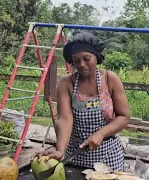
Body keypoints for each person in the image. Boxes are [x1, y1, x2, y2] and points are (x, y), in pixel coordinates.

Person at [36, 32, 130, 171]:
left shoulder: (110, 79)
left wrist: (101, 133)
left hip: (108, 156)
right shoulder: (66, 83)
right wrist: (60, 150)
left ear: (96, 57)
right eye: (76, 60)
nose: (82, 65)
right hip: (75, 156)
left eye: (87, 58)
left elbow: (124, 116)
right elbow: (64, 118)